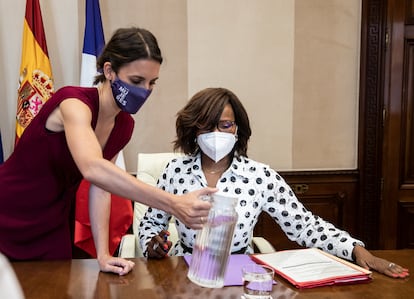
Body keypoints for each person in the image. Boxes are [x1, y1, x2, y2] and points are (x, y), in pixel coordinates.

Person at [0, 27, 214, 275]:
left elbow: (102, 186)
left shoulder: (124, 125)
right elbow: (92, 168)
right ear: (109, 71)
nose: (144, 90)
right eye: (136, 81)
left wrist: (103, 254)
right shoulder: (73, 103)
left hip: (52, 224)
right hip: (8, 212)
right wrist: (174, 203)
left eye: (151, 82)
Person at [138, 87, 409, 279]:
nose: (216, 134)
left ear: (237, 129)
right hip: (185, 272)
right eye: (206, 126)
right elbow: (151, 223)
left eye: (225, 125)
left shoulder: (259, 176)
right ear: (193, 130)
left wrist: (357, 250)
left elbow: (305, 225)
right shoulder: (175, 171)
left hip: (239, 273)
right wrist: (153, 244)